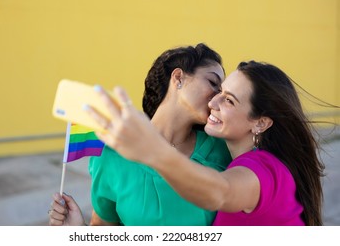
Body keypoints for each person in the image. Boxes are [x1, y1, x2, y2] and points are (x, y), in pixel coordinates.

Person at [85, 60, 326, 225]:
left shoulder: (264, 170)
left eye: (229, 101)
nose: (213, 102)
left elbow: (220, 192)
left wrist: (152, 151)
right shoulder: (248, 163)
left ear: (260, 123)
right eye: (219, 90)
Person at [48, 43, 232, 226]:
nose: (218, 98)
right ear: (178, 78)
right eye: (213, 83)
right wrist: (78, 230)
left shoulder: (224, 151)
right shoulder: (112, 155)